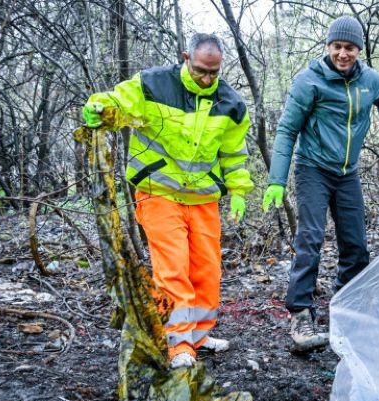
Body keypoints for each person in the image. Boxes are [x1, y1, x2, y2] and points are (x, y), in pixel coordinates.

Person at [263, 16, 379, 351]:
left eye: (349, 48)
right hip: (313, 169)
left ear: (359, 49)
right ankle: (301, 315)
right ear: (328, 47)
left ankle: (348, 305)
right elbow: (287, 130)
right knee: (311, 238)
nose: (343, 54)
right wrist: (277, 179)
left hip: (348, 172)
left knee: (356, 244)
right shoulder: (309, 82)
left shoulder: (371, 81)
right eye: (337, 47)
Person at [81, 33, 254, 369]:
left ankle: (199, 337)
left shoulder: (231, 104)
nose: (206, 79)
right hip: (158, 191)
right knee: (173, 269)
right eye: (201, 70)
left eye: (213, 73)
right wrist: (98, 107)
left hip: (203, 198)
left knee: (207, 270)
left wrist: (240, 192)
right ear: (186, 57)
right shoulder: (152, 85)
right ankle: (179, 344)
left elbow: (233, 154)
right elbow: (118, 101)